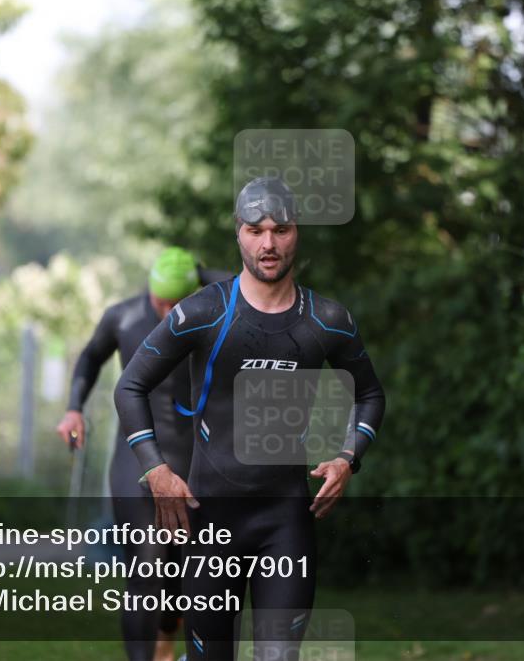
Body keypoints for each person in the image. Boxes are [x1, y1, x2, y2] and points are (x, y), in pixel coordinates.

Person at [114, 177, 387, 660]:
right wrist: (155, 469)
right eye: (255, 230)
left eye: (280, 229)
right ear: (238, 233)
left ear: (296, 231)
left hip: (286, 522)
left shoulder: (326, 320)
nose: (268, 243)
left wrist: (348, 458)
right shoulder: (203, 312)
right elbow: (130, 386)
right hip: (212, 524)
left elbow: (369, 394)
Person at [57, 247, 230, 661]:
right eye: (161, 302)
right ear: (149, 291)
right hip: (136, 463)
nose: (170, 310)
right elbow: (89, 358)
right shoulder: (124, 318)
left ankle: (169, 638)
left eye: (179, 301)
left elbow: (257, 285)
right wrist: (73, 408)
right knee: (146, 571)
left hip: (198, 463)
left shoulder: (220, 313)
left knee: (188, 578)